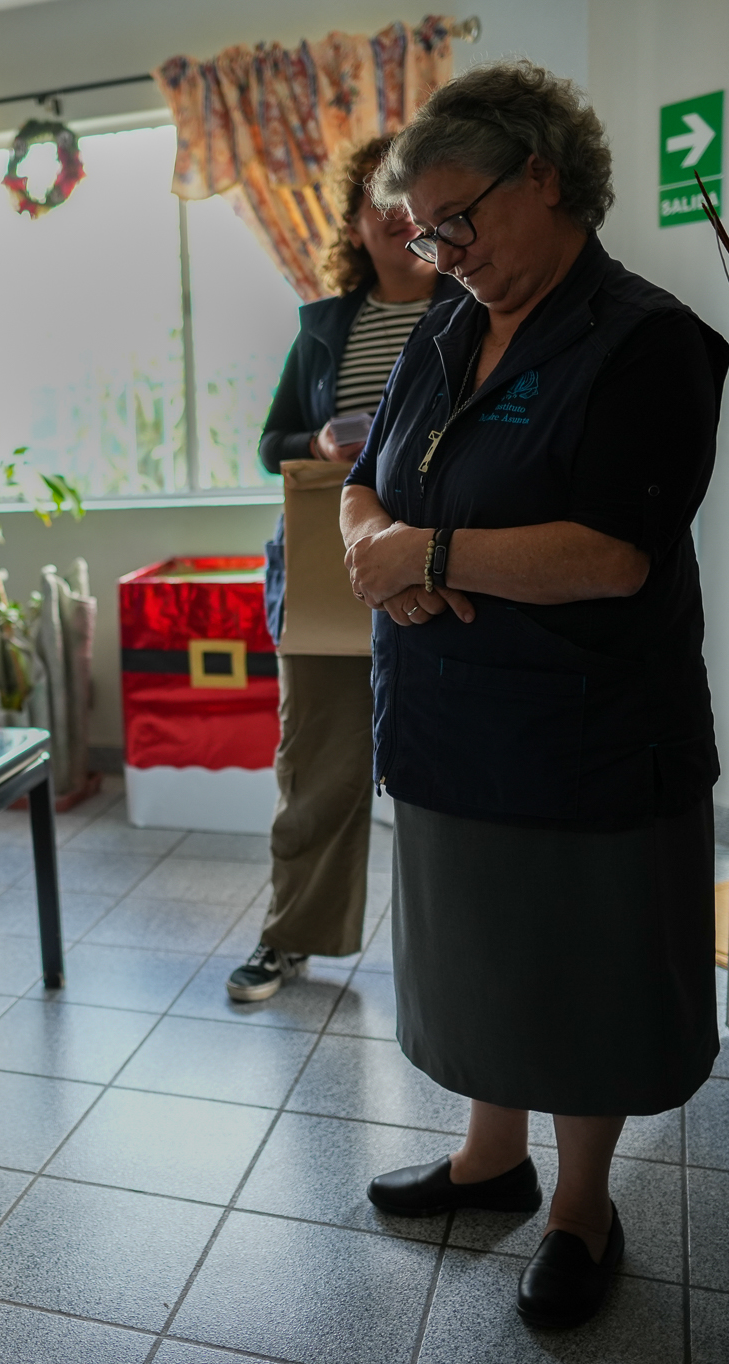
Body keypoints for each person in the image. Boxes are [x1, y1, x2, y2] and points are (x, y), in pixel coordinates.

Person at [341, 61, 726, 1328]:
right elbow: (370, 475)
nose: (447, 254)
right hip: (451, 722)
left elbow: (608, 551)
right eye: (425, 234)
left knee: (579, 971)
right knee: (476, 956)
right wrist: (366, 545)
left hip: (585, 734)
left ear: (544, 177)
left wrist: (427, 556)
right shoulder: (446, 326)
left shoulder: (648, 343)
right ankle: (487, 1160)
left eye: (463, 221)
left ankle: (579, 1205)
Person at [229, 133, 447, 1003]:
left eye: (409, 196)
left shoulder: (481, 308)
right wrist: (315, 440)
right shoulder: (323, 327)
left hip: (441, 567)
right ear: (354, 225)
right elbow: (270, 445)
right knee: (315, 766)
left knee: (449, 776)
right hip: (325, 574)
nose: (394, 215)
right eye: (375, 200)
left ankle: (453, 960)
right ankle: (293, 935)